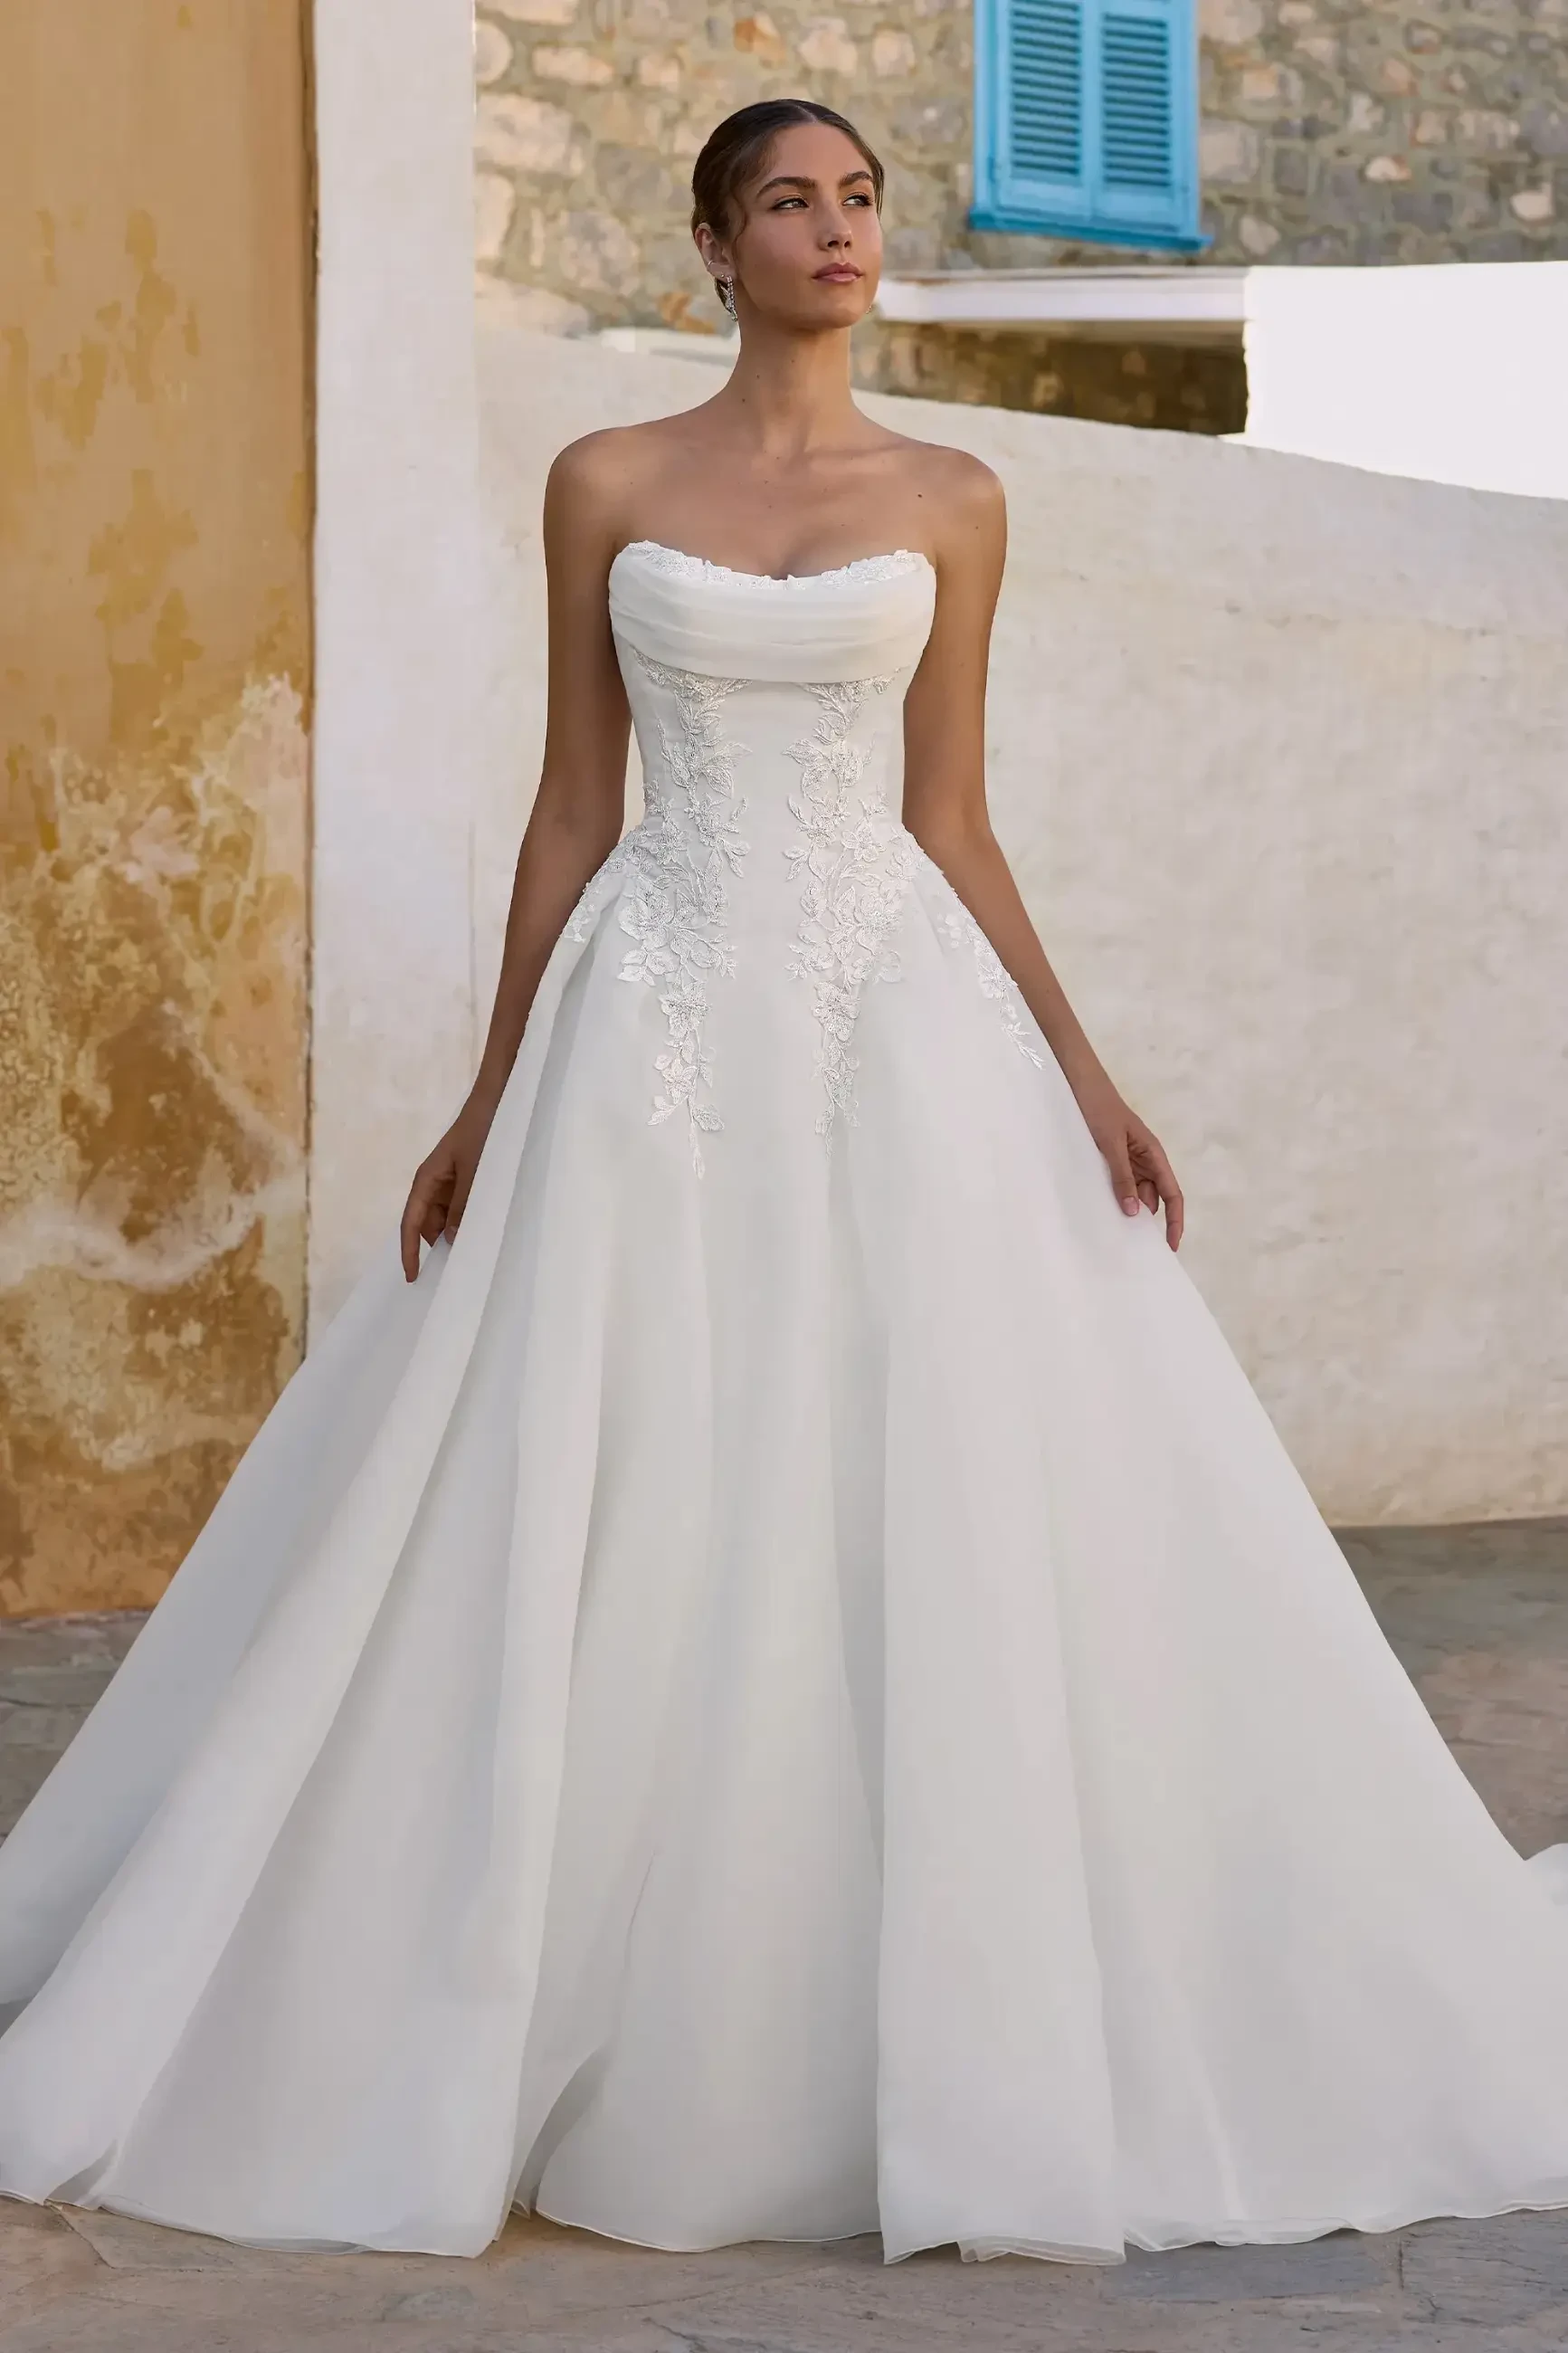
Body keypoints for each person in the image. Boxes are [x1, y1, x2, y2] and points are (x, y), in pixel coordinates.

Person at [2, 97, 1568, 2270]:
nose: (836, 232)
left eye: (857, 200)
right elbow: (572, 806)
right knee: (628, 1465)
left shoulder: (955, 498)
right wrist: (484, 1095)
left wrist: (1084, 1075)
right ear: (713, 245)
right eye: (788, 204)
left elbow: (952, 817)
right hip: (646, 1028)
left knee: (893, 1474)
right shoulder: (604, 481)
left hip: (888, 1029)